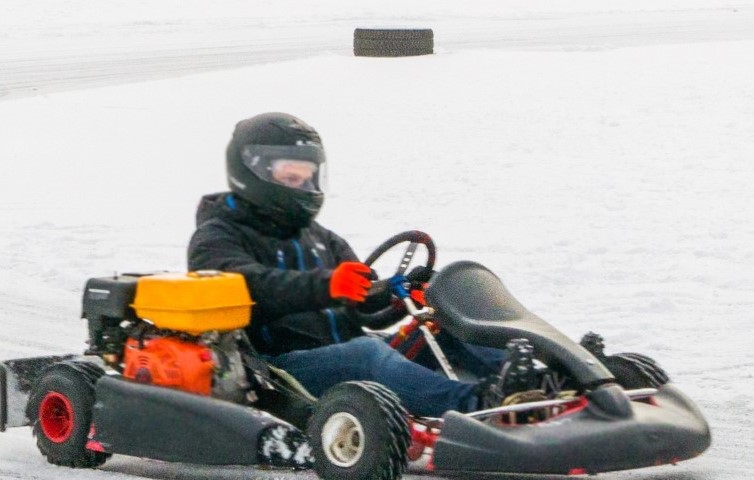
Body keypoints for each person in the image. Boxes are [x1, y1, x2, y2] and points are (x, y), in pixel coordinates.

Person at [186, 111, 539, 418]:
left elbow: (365, 309)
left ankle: (531, 385)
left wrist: (400, 296)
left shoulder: (322, 238)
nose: (302, 186)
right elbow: (252, 284)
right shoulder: (216, 237)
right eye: (291, 178)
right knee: (366, 352)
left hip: (347, 352)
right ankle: (480, 404)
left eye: (307, 178)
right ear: (252, 173)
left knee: (441, 324)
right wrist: (327, 285)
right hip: (280, 371)